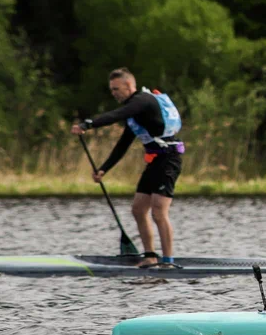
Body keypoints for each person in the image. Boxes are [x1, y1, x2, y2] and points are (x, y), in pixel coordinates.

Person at [70, 68, 184, 268]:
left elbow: (117, 114)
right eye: (111, 90)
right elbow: (123, 144)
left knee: (158, 211)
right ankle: (150, 256)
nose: (114, 93)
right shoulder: (136, 114)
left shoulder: (142, 101)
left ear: (130, 85)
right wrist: (104, 169)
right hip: (155, 161)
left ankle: (168, 262)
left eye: (117, 89)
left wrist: (88, 124)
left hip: (170, 159)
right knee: (139, 209)